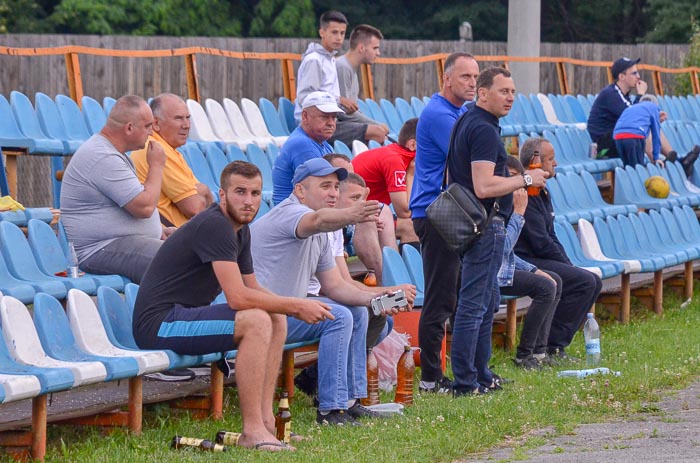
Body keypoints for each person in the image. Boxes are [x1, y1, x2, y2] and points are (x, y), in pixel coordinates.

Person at [133, 161, 333, 451]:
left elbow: (252, 287)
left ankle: (266, 425)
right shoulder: (216, 225)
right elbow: (238, 298)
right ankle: (251, 431)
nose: (248, 201)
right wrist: (296, 304)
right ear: (222, 195)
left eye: (255, 193)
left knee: (274, 317)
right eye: (240, 192)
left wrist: (287, 306)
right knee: (256, 320)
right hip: (160, 323)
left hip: (183, 317)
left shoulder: (240, 230)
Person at [251, 158, 397, 426]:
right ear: (300, 190)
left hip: (285, 311)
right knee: (338, 316)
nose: (333, 193)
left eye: (335, 186)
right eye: (324, 186)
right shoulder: (293, 214)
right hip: (258, 314)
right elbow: (317, 220)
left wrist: (380, 298)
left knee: (357, 312)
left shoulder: (320, 229)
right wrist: (354, 214)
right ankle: (330, 410)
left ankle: (350, 402)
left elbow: (336, 286)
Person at [446, 67, 548, 397]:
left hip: (473, 223)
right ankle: (466, 382)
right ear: (483, 93)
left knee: (486, 302)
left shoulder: (469, 120)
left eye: (513, 92)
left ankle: (481, 374)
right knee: (474, 305)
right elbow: (484, 185)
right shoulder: (483, 129)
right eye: (503, 91)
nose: (510, 98)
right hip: (484, 225)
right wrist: (527, 179)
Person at [294, 171, 417, 399]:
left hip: (326, 298)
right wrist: (382, 295)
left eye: (363, 199)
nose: (360, 205)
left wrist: (387, 293)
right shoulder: (315, 224)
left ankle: (323, 378)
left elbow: (345, 281)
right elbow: (331, 288)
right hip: (307, 300)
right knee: (362, 312)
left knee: (383, 318)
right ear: (336, 197)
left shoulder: (336, 230)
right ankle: (343, 395)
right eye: (354, 199)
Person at [408, 52, 479, 394]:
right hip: (436, 212)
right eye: (465, 76)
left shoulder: (461, 112)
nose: (472, 83)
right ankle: (430, 378)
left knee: (459, 292)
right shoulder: (438, 113)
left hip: (452, 209)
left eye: (476, 77)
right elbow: (467, 155)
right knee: (440, 297)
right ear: (446, 79)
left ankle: (460, 368)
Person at [60, 95, 168, 284]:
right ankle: (173, 314)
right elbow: (144, 207)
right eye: (147, 126)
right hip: (97, 250)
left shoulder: (112, 153)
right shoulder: (102, 156)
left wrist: (159, 230)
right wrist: (157, 165)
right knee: (173, 260)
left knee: (192, 250)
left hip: (118, 243)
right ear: (129, 128)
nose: (151, 133)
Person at [515, 137, 603, 361]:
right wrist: (567, 266)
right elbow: (539, 241)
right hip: (525, 259)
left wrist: (568, 263)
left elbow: (550, 235)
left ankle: (554, 344)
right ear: (535, 163)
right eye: (550, 159)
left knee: (592, 280)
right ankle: (551, 345)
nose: (555, 164)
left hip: (540, 256)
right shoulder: (526, 191)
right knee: (583, 281)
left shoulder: (543, 191)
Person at [500, 157, 562, 369]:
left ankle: (539, 352)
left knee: (553, 280)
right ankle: (523, 356)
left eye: (515, 177)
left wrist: (534, 269)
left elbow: (507, 256)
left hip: (502, 268)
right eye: (507, 176)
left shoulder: (510, 204)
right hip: (487, 273)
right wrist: (518, 213)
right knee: (544, 286)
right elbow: (502, 249)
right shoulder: (497, 207)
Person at [294, 11, 387, 146]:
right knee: (377, 132)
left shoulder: (330, 59)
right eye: (334, 32)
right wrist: (339, 100)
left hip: (330, 121)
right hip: (314, 125)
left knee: (377, 132)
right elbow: (305, 97)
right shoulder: (314, 60)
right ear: (322, 33)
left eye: (342, 33)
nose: (339, 38)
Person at [587, 57, 692, 167]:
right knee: (640, 129)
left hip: (619, 140)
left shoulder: (623, 95)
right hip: (603, 149)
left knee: (648, 125)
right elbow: (633, 117)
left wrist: (654, 117)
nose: (638, 77)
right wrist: (640, 94)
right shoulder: (611, 94)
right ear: (621, 77)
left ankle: (676, 162)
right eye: (634, 73)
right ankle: (661, 164)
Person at [131, 93, 214, 227]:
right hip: (174, 239)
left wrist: (203, 191)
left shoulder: (167, 148)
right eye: (179, 118)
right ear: (156, 123)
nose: (186, 125)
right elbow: (195, 208)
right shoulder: (156, 149)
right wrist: (203, 190)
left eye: (187, 118)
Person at [324, 153, 397, 286]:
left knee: (379, 211)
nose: (351, 179)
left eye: (352, 174)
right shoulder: (319, 209)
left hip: (349, 255)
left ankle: (392, 277)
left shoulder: (352, 193)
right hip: (325, 278)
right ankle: (387, 285)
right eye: (344, 175)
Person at [352, 118, 420, 246]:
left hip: (371, 214)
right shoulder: (394, 160)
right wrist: (410, 175)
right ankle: (399, 266)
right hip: (356, 219)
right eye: (430, 143)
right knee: (410, 227)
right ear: (413, 145)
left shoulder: (397, 154)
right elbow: (405, 212)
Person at [272, 91, 342, 205]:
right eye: (324, 117)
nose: (331, 123)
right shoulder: (303, 145)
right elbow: (318, 194)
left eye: (334, 117)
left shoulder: (323, 144)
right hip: (292, 216)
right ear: (305, 116)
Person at [333, 23, 389, 146]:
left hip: (344, 124)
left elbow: (353, 110)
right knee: (378, 132)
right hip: (333, 127)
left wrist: (375, 124)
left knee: (379, 131)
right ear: (361, 48)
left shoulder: (351, 70)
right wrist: (376, 125)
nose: (378, 53)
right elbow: (343, 113)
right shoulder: (342, 67)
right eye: (375, 48)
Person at [613, 94, 664, 168]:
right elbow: (656, 135)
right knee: (638, 168)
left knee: (628, 168)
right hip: (634, 137)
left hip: (618, 137)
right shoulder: (654, 108)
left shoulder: (632, 108)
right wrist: (656, 158)